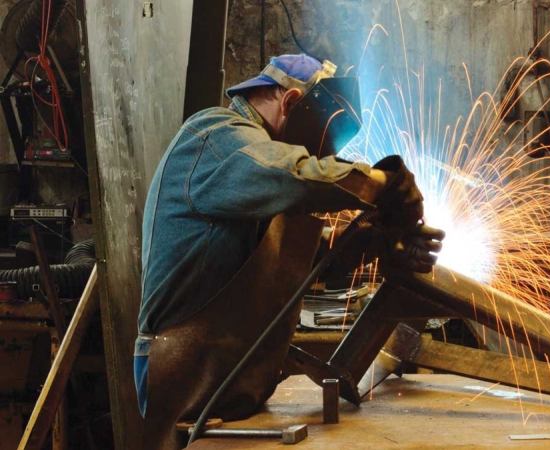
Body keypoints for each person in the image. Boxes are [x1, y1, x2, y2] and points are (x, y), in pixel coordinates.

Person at [134, 53, 444, 449]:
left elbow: (304, 257)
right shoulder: (216, 136)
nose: (316, 156)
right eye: (314, 148)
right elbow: (297, 175)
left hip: (226, 377)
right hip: (182, 368)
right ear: (291, 102)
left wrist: (376, 243)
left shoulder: (253, 181)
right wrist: (384, 183)